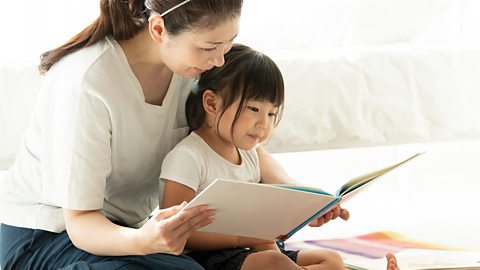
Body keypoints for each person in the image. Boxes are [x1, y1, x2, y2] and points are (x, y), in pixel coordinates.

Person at [0, 0, 246, 269]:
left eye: (228, 43)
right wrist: (145, 241)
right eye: (208, 47)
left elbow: (232, 136)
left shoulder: (191, 69)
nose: (219, 59)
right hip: (44, 236)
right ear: (159, 29)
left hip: (121, 231)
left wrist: (292, 195)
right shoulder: (86, 82)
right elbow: (81, 222)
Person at [160, 44, 400, 270]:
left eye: (272, 113)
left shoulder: (252, 154)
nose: (263, 124)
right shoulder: (188, 156)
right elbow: (175, 230)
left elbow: (288, 187)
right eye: (254, 109)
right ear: (211, 103)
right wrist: (245, 236)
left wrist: (318, 206)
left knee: (331, 259)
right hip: (207, 257)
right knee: (275, 262)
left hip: (254, 249)